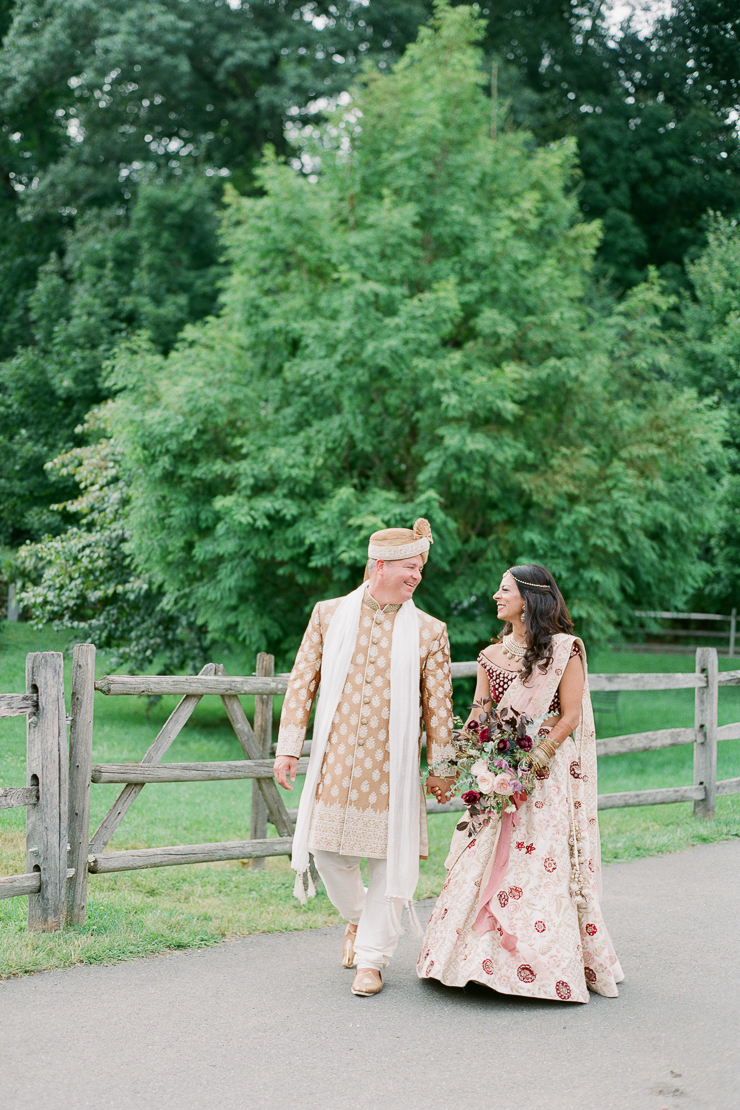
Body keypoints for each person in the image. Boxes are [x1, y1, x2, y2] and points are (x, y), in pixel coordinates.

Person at [417, 564, 624, 1002]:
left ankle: (538, 965)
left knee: (539, 865)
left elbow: (569, 717)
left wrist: (533, 761)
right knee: (487, 859)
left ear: (530, 598)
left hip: (544, 779)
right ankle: (475, 962)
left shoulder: (565, 651)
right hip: (499, 774)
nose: (496, 595)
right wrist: (456, 761)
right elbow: (479, 714)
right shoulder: (490, 657)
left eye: (504, 589)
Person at [273, 519, 455, 997]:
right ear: (379, 566)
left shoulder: (430, 631)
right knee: (327, 852)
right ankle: (361, 918)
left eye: (420, 569)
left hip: (392, 770)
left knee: (387, 860)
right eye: (410, 567)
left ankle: (372, 959)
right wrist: (289, 746)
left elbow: (439, 706)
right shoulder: (329, 614)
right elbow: (301, 680)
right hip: (334, 761)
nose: (417, 576)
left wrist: (441, 769)